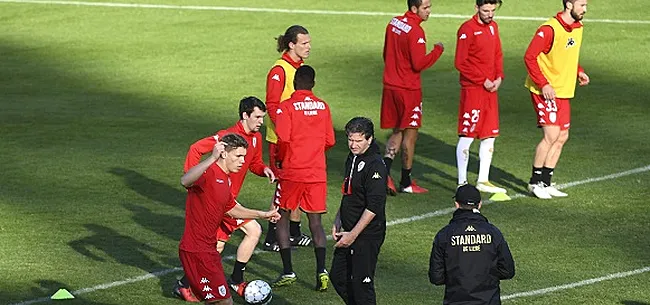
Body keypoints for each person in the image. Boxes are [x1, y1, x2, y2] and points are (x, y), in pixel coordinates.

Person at [172, 97, 276, 302]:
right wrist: (196, 181)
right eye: (257, 117)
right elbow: (195, 150)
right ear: (245, 115)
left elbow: (253, 163)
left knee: (226, 243)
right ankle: (227, 281)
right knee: (230, 242)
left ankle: (191, 284)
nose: (261, 122)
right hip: (218, 203)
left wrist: (263, 169)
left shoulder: (253, 139)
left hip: (228, 202)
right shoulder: (226, 139)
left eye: (262, 117)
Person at [272, 65, 335, 291]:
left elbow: (283, 139)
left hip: (292, 170)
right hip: (316, 172)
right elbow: (330, 140)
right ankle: (321, 270)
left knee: (281, 218)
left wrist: (280, 160)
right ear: (313, 84)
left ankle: (288, 271)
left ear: (295, 83)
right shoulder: (323, 106)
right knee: (315, 222)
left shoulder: (286, 106)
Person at [524, 0, 590, 199]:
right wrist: (543, 84)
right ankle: (534, 183)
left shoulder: (578, 27)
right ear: (569, 5)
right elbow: (529, 56)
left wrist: (578, 71)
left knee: (562, 136)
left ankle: (546, 181)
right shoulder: (549, 29)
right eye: (581, 5)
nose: (585, 9)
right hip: (546, 90)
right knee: (551, 135)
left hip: (563, 90)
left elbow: (568, 54)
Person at [381, 0, 445, 195]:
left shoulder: (393, 23)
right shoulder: (416, 31)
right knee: (411, 133)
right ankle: (406, 182)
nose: (429, 11)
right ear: (414, 8)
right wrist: (437, 51)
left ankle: (383, 174)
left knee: (397, 130)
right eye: (425, 8)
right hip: (408, 89)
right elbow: (418, 64)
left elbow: (386, 53)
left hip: (390, 85)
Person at [263, 24, 313, 251]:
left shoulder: (298, 68)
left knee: (297, 186)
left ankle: (293, 232)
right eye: (304, 43)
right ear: (291, 45)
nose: (309, 47)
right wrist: (286, 131)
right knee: (283, 188)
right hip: (281, 141)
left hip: (298, 140)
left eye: (309, 42)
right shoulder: (279, 70)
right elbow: (272, 105)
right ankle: (271, 236)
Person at [331, 117, 387, 305]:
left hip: (366, 234)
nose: (353, 145)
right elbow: (348, 191)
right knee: (338, 277)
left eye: (358, 141)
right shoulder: (353, 157)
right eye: (350, 140)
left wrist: (353, 235)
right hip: (347, 229)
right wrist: (338, 218)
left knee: (362, 285)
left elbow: (374, 206)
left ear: (369, 139)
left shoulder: (375, 165)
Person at [429, 184, 515, 305]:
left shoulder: (444, 235)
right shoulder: (493, 233)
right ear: (479, 204)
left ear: (457, 204)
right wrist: (485, 276)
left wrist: (458, 278)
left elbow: (436, 278)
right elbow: (508, 271)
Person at [454, 0, 507, 194]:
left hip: (490, 90)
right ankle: (462, 182)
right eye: (486, 10)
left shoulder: (493, 27)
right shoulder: (467, 30)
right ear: (476, 8)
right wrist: (482, 79)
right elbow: (460, 62)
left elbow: (498, 54)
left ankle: (483, 180)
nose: (490, 14)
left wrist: (499, 76)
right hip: (473, 91)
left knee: (489, 135)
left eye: (493, 10)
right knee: (468, 135)